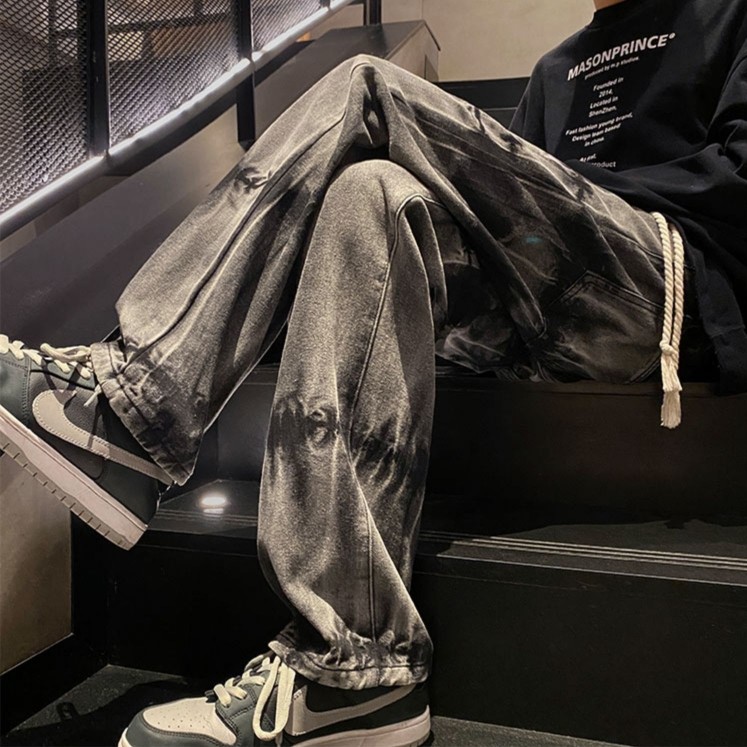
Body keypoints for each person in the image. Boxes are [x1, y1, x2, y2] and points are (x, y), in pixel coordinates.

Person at [1, 0, 745, 744]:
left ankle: (138, 405)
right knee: (371, 194)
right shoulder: (558, 66)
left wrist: (557, 182)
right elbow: (512, 226)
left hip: (670, 292)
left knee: (367, 83)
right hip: (543, 317)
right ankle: (354, 666)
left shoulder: (727, 15)